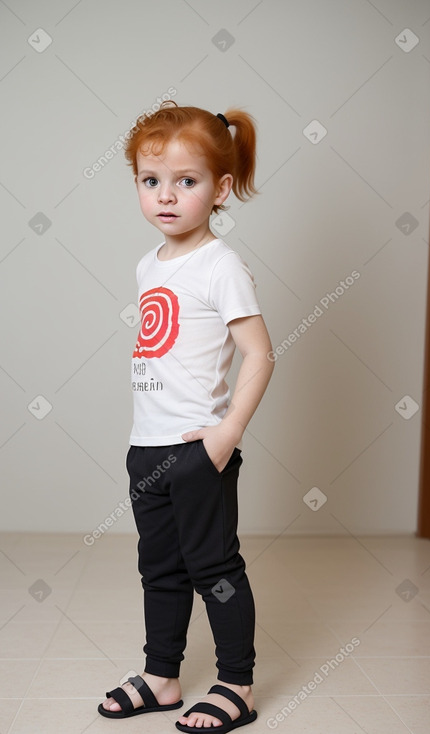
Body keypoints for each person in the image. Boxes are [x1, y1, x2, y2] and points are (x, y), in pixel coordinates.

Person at [98, 101, 274, 733]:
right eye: (151, 182)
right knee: (160, 567)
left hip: (197, 449)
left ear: (220, 188)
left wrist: (227, 434)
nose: (165, 197)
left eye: (186, 181)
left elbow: (259, 351)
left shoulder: (220, 266)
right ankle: (162, 676)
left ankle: (237, 683)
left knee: (214, 567)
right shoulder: (151, 264)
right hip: (146, 446)